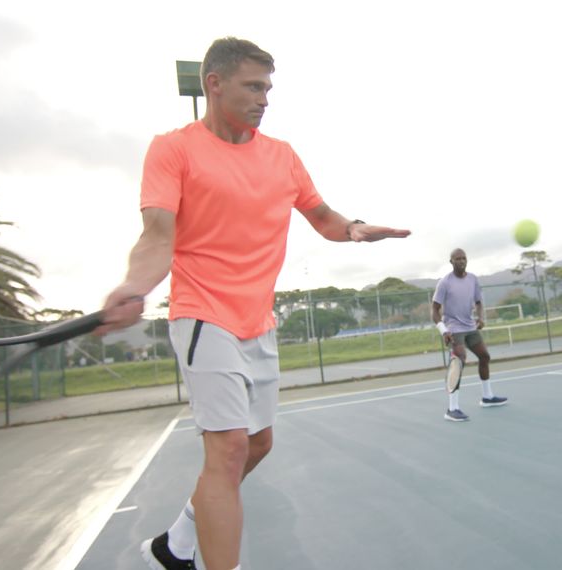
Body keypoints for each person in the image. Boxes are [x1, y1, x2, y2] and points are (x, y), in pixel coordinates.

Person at [98, 37, 410, 570]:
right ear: (214, 84)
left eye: (267, 88)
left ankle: (176, 544)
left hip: (257, 322)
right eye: (252, 86)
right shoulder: (173, 148)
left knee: (258, 444)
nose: (264, 98)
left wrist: (356, 229)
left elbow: (324, 218)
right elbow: (157, 235)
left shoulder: (282, 156)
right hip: (202, 315)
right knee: (227, 452)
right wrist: (135, 286)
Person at [431, 248, 507, 422]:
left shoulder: (472, 279)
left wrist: (480, 318)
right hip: (454, 330)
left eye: (463, 258)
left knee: (484, 356)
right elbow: (434, 310)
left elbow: (479, 302)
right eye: (457, 259)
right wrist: (444, 330)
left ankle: (487, 397)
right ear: (451, 262)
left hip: (470, 327)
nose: (461, 261)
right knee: (458, 362)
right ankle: (452, 409)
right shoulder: (445, 283)